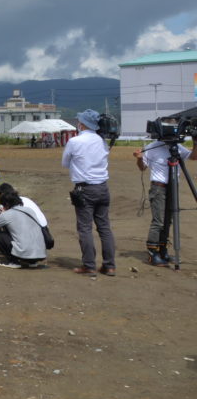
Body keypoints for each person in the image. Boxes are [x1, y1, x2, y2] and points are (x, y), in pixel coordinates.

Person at [62, 109, 115, 276]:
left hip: (85, 188)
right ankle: (109, 265)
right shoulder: (102, 141)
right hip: (103, 187)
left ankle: (89, 265)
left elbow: (65, 163)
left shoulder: (75, 141)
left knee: (85, 228)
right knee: (104, 227)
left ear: (82, 124)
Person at [133, 139, 196, 266]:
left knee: (168, 220)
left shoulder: (176, 146)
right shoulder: (153, 147)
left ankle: (163, 250)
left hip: (173, 187)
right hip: (158, 188)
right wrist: (139, 158)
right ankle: (153, 253)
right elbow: (142, 167)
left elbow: (194, 157)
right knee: (158, 221)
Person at [0, 183, 46, 268]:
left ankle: (14, 262)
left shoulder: (6, 215)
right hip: (40, 253)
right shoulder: (29, 210)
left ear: (5, 204)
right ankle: (32, 262)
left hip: (25, 253)